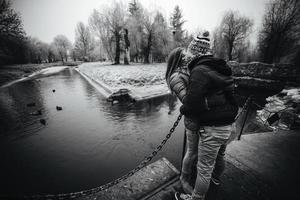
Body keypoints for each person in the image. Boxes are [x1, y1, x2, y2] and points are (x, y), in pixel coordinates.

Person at [166, 31, 238, 200]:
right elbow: (188, 102)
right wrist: (211, 102)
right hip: (193, 120)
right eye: (183, 56)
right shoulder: (176, 76)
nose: (186, 58)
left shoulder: (195, 71)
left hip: (205, 120)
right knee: (191, 152)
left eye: (187, 55)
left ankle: (197, 179)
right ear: (178, 59)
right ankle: (184, 179)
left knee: (202, 157)